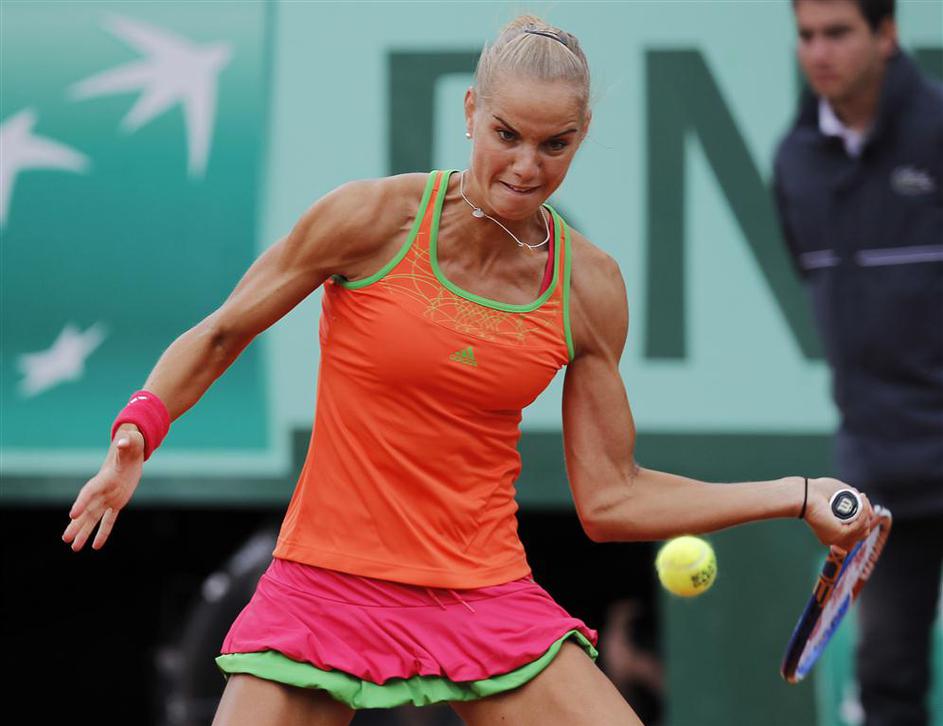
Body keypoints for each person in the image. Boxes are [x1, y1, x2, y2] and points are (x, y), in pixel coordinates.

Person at [64, 15, 875, 726]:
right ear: (469, 113)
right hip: (325, 584)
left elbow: (611, 497)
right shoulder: (371, 220)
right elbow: (221, 333)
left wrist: (794, 494)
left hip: (481, 594)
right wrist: (139, 429)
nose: (526, 167)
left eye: (554, 144)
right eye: (506, 135)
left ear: (581, 136)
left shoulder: (588, 287)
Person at [774, 2, 943, 724]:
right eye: (807, 35)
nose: (819, 51)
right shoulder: (794, 162)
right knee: (886, 682)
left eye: (838, 32)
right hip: (882, 474)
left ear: (886, 35)